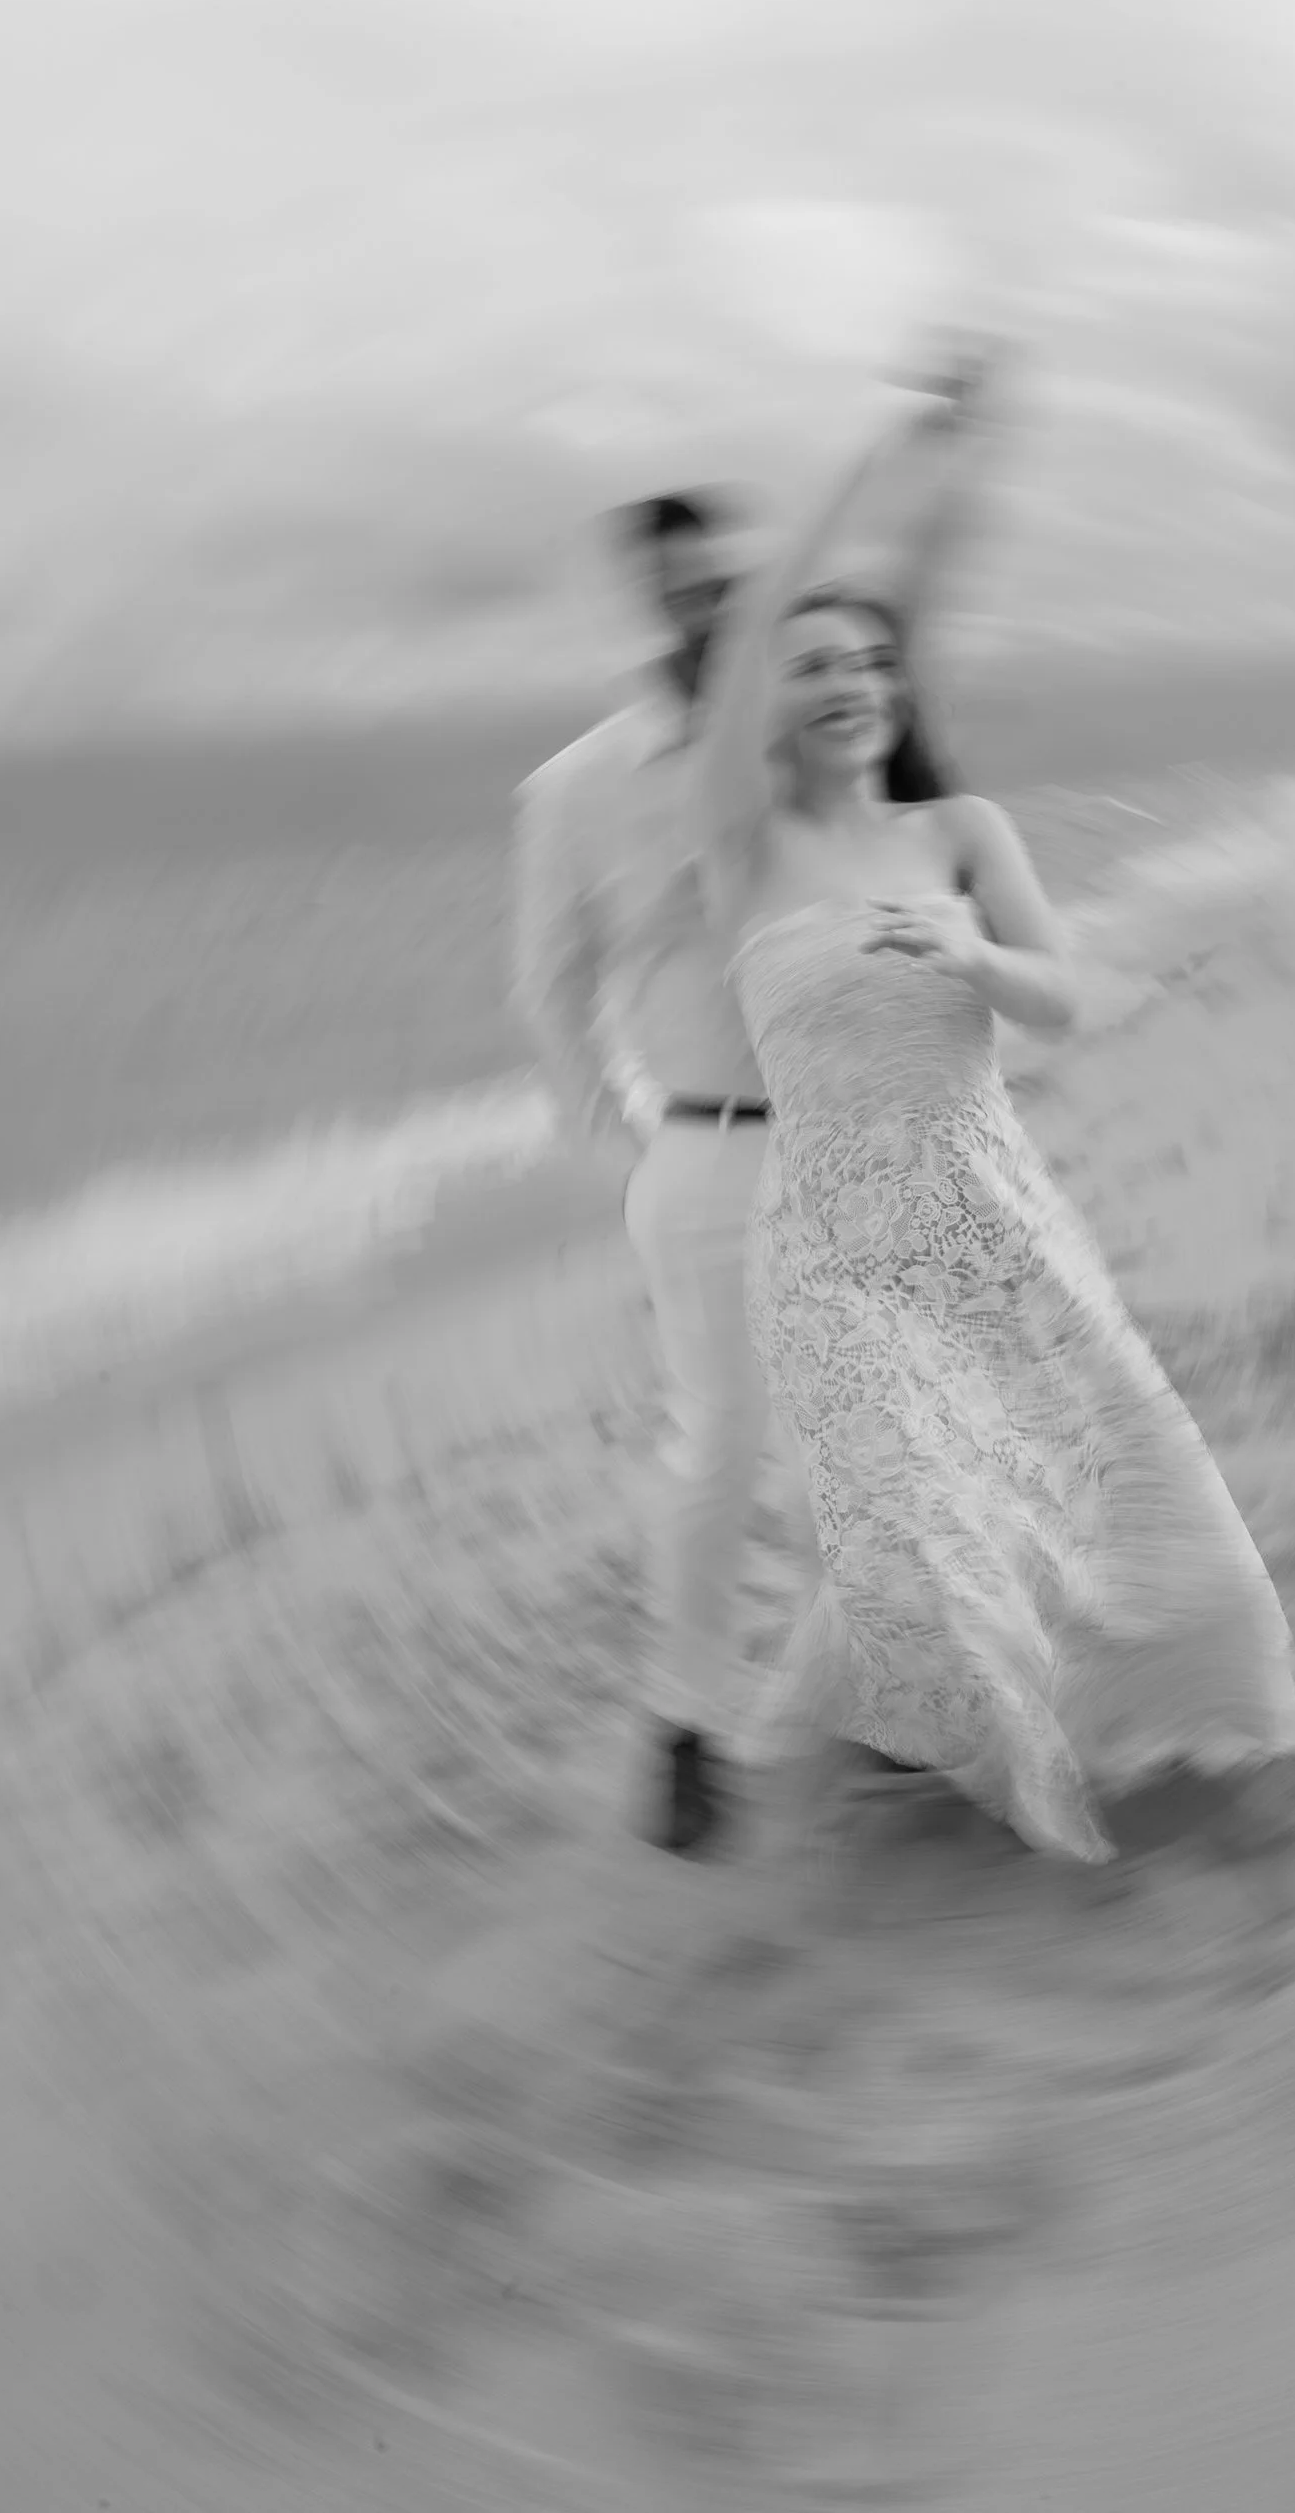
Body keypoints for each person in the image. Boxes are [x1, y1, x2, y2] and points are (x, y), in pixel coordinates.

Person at [691, 346, 1295, 1864]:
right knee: (915, 1508)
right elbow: (759, 618)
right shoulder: (743, 846)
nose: (847, 684)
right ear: (769, 697)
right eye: (817, 666)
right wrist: (894, 443)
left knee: (1107, 1494)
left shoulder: (959, 831)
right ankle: (944, 1733)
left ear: (899, 695)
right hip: (837, 1242)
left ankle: (981, 1718)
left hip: (990, 1212)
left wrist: (973, 950)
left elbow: (1073, 998)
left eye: (873, 666)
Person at [512, 396, 998, 1856]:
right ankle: (684, 1723)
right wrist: (623, 1142)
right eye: (680, 590)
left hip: (852, 1135)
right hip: (712, 1151)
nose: (707, 608)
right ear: (646, 605)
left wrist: (935, 458)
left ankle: (888, 1698)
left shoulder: (801, 743)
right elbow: (552, 988)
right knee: (723, 1445)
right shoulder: (581, 790)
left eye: (724, 582)